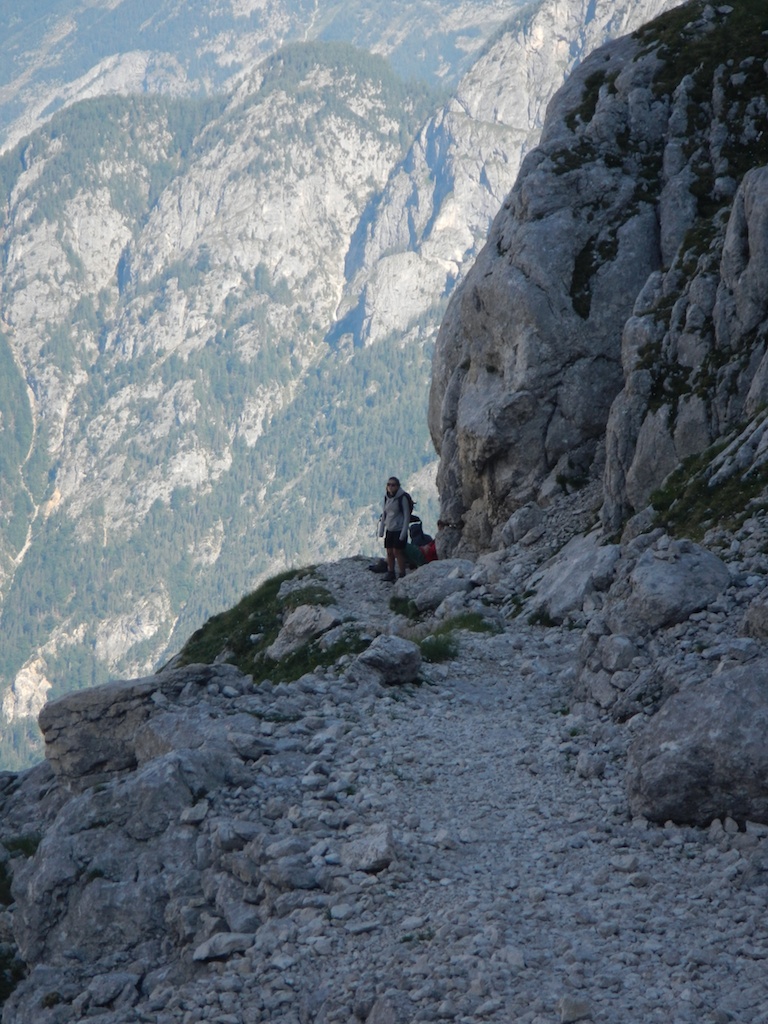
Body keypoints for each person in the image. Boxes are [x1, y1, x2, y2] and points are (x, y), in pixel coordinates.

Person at [378, 476, 410, 581]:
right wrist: (381, 529)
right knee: (389, 552)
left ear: (397, 486)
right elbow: (384, 513)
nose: (390, 487)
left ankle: (402, 574)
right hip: (390, 529)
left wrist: (404, 532)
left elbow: (407, 515)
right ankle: (391, 572)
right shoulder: (387, 497)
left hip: (399, 529)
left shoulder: (402, 498)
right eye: (388, 484)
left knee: (397, 552)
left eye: (393, 485)